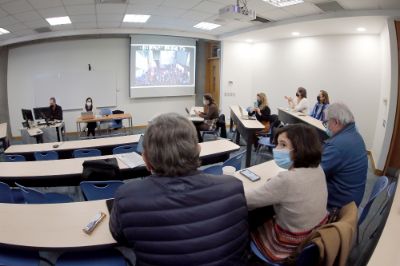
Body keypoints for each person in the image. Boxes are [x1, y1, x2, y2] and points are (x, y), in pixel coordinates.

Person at [109, 113, 248, 266]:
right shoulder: (233, 186)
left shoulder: (127, 197)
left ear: (146, 160)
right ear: (198, 150)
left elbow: (120, 237)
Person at [246, 124, 328, 263]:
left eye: (283, 145)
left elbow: (247, 199)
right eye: (277, 144)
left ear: (300, 148)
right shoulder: (318, 169)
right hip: (313, 237)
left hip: (287, 246)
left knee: (247, 216)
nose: (276, 150)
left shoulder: (286, 180)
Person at [321, 103, 368, 209]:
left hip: (338, 205)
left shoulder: (337, 146)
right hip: (352, 199)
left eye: (326, 122)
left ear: (336, 122)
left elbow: (314, 173)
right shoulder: (355, 135)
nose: (326, 126)